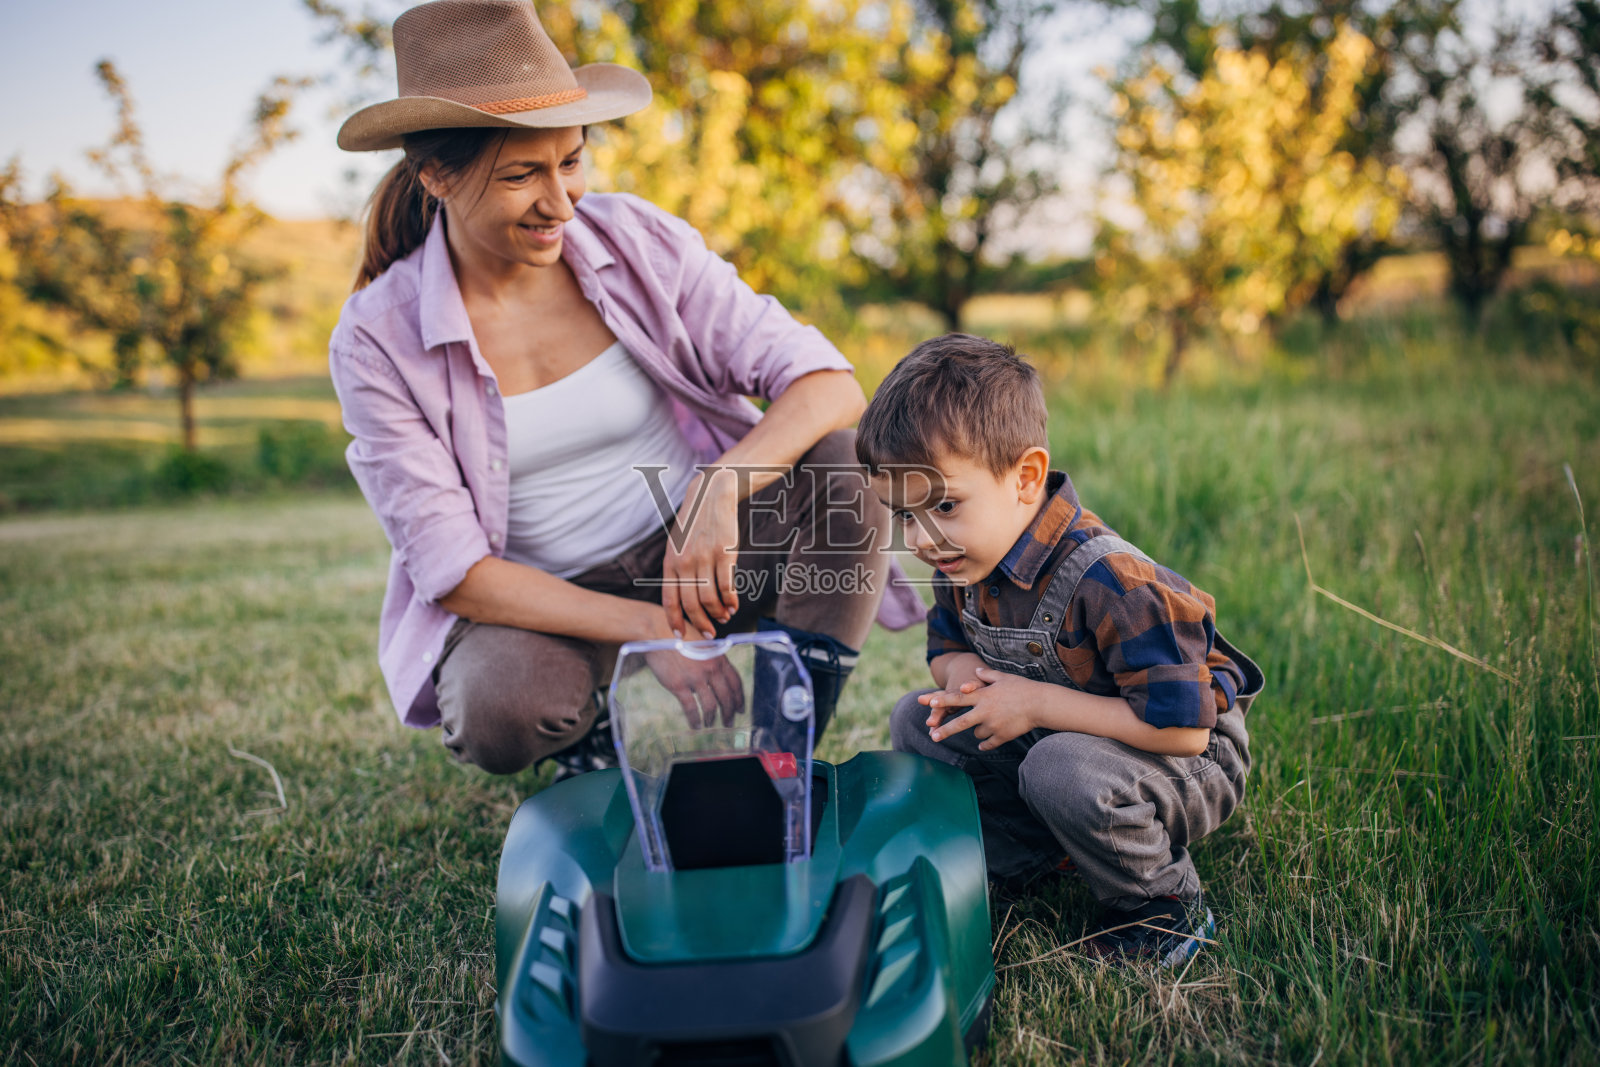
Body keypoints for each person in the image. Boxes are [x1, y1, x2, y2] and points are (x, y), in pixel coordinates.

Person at [328, 0, 923, 776]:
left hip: (700, 555)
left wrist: (718, 489)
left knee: (847, 467)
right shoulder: (378, 337)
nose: (561, 200)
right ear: (436, 174)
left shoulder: (636, 241)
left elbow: (829, 382)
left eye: (571, 160)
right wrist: (648, 629)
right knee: (496, 705)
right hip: (545, 601)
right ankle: (605, 750)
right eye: (522, 175)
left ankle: (783, 744)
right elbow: (456, 572)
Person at [855, 333, 1265, 966]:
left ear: (1026, 477)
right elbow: (946, 649)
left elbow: (1184, 730)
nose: (923, 537)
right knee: (920, 719)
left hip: (1188, 760)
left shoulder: (1113, 583)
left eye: (943, 504)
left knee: (1060, 768)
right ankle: (1023, 855)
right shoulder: (962, 558)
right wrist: (972, 684)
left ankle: (1163, 907)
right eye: (904, 515)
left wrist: (1035, 703)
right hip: (1071, 741)